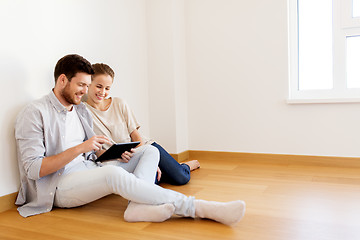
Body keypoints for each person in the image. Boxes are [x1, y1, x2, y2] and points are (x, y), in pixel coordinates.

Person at [14, 54, 246, 225]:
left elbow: (91, 155)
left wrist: (113, 154)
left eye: (87, 85)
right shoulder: (34, 113)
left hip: (87, 169)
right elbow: (35, 169)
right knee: (115, 174)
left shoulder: (80, 110)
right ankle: (200, 208)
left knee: (149, 151)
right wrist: (81, 148)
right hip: (58, 186)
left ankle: (136, 208)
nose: (85, 91)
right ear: (63, 80)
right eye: (82, 85)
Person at [84, 63, 200, 185]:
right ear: (89, 84)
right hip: (121, 159)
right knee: (150, 181)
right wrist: (118, 157)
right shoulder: (83, 112)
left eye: (107, 88)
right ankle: (168, 170)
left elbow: (136, 137)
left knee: (182, 177)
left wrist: (147, 160)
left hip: (144, 147)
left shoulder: (119, 103)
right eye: (99, 86)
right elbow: (96, 151)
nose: (103, 92)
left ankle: (184, 166)